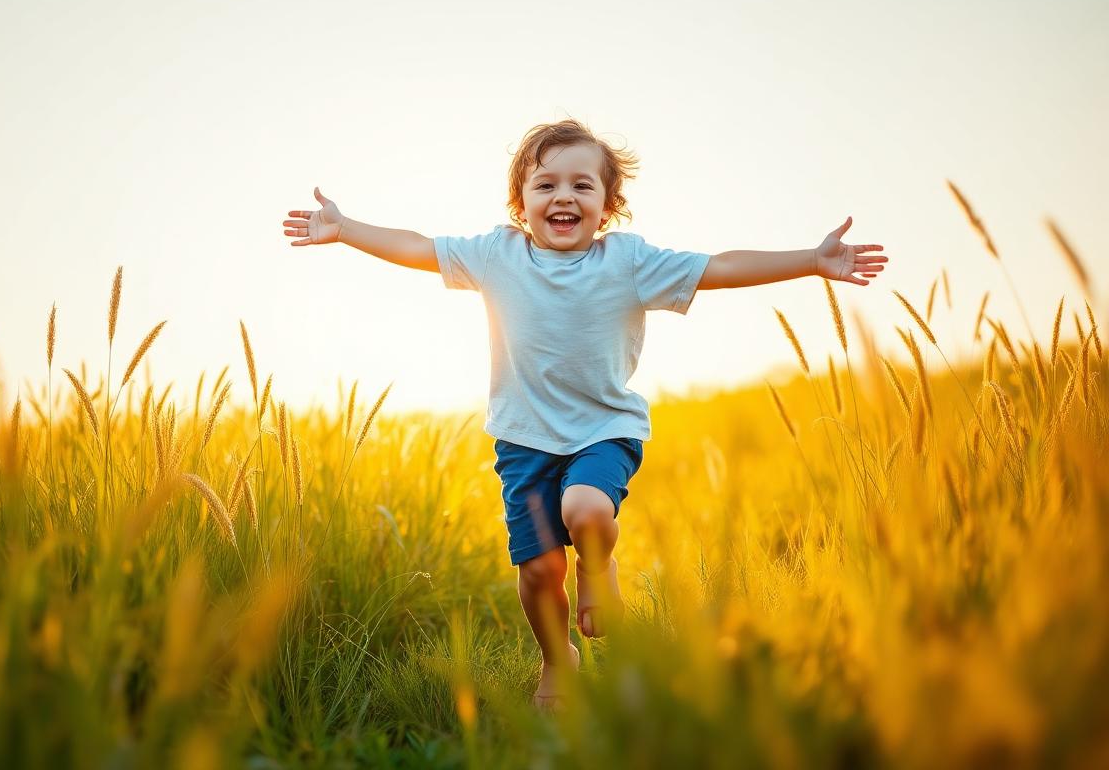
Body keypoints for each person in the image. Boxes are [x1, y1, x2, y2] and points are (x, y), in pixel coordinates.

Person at [281, 119, 887, 708]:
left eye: (582, 184)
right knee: (539, 572)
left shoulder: (627, 262)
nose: (563, 196)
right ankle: (556, 658)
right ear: (521, 203)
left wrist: (812, 259)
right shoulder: (497, 255)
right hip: (523, 442)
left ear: (607, 204)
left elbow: (719, 267)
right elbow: (418, 247)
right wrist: (345, 228)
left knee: (587, 509)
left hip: (604, 429)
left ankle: (597, 568)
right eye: (545, 185)